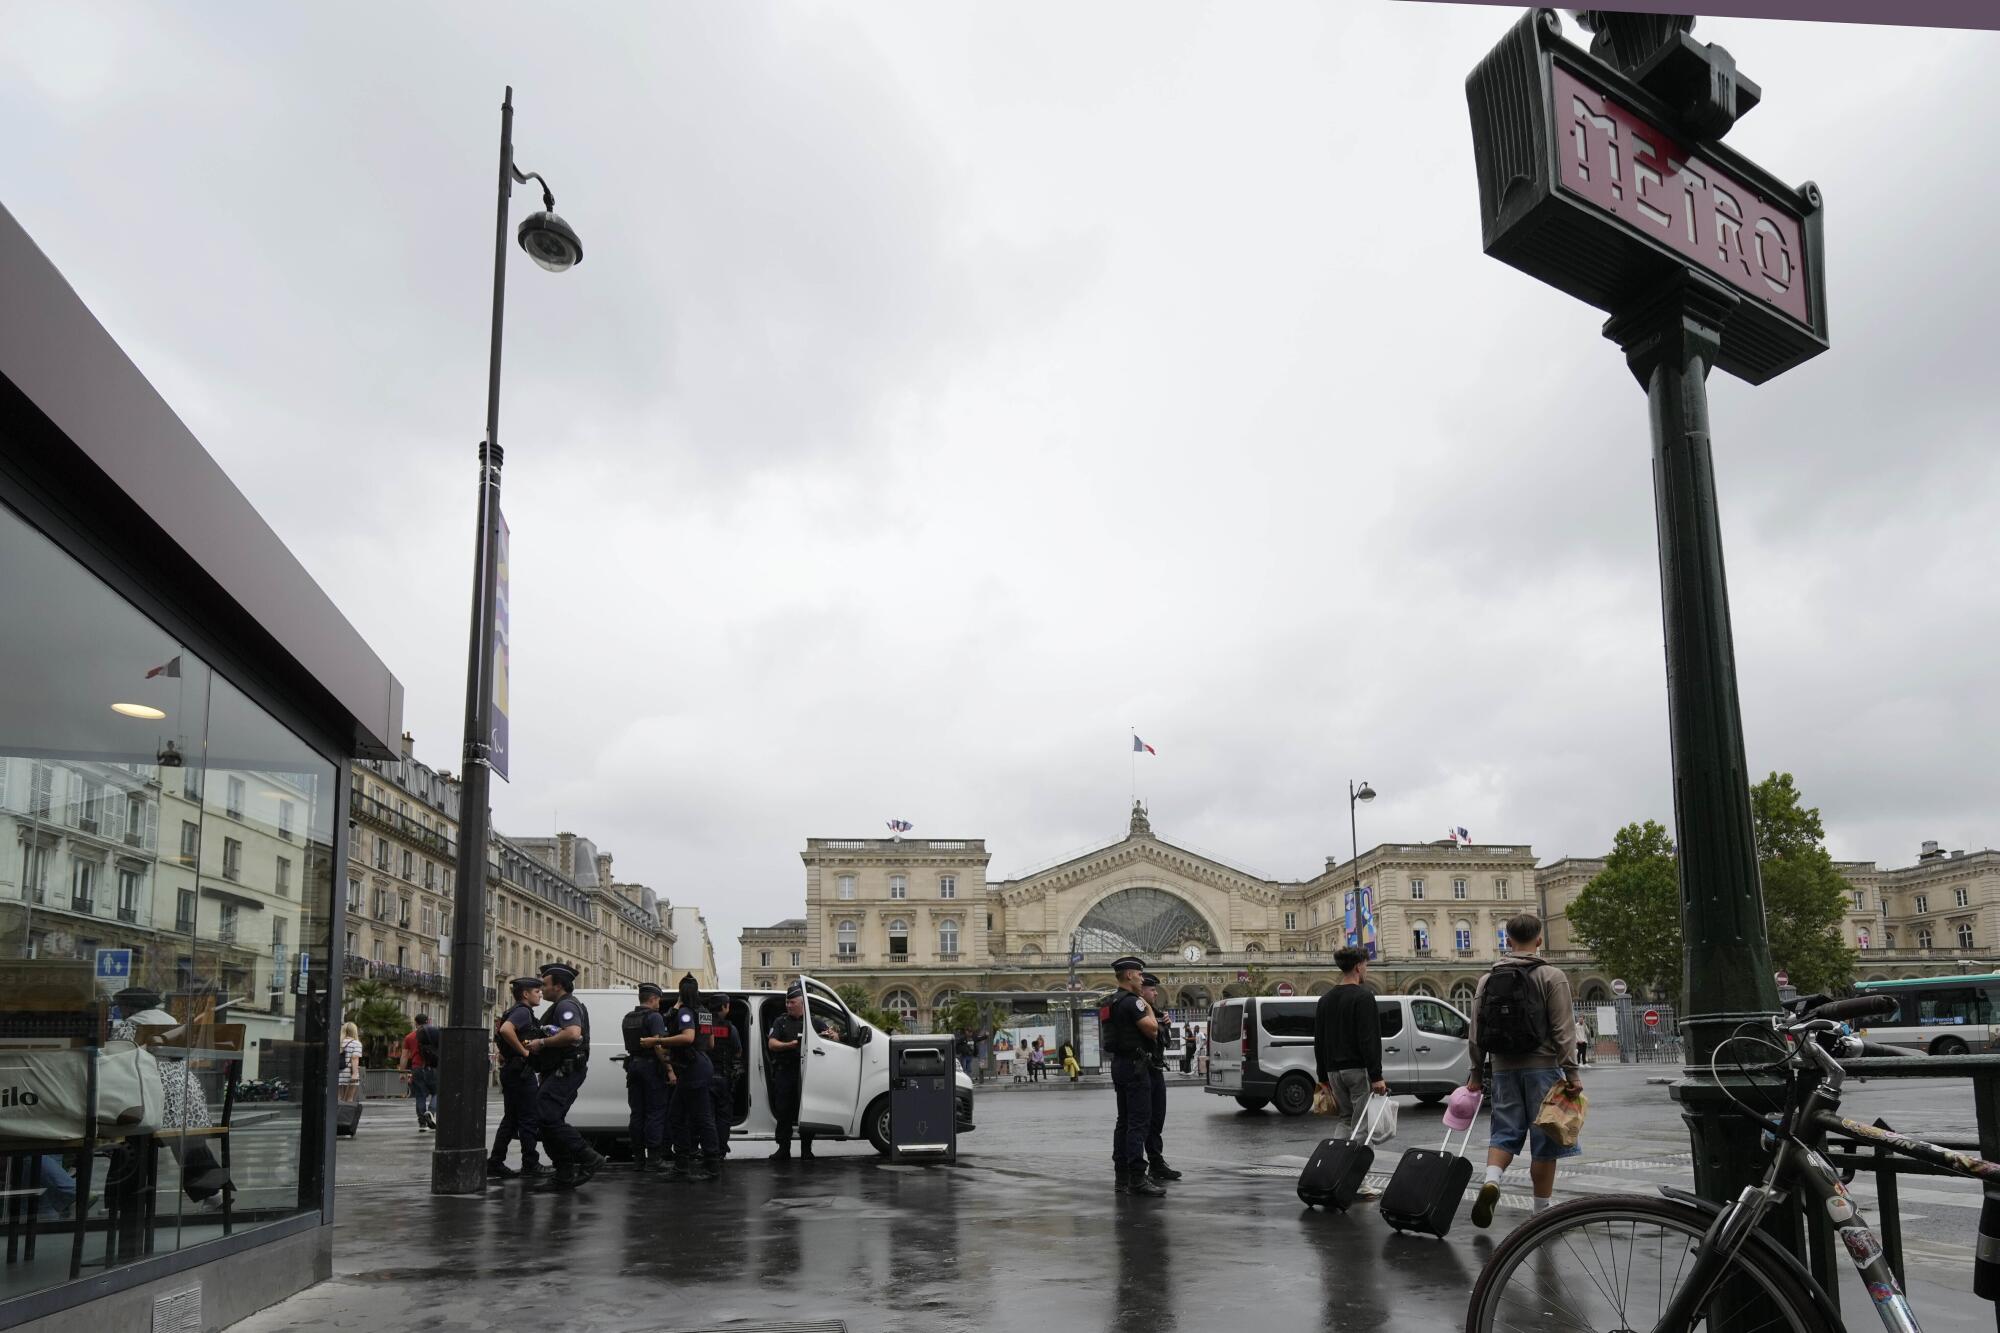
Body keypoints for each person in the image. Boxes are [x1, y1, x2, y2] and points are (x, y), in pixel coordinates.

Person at [1465, 912, 1582, 1228]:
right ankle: (1541, 1213)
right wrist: (1571, 1073)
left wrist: (1476, 1073)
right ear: (1540, 940)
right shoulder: (1551, 976)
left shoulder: (1487, 979)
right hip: (1542, 1068)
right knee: (1545, 1142)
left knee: (1504, 1132)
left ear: (1507, 940)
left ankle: (1492, 1180)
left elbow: (1476, 1031)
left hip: (1502, 1068)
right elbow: (1563, 1029)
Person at [112, 986, 231, 1207]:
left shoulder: (131, 1026)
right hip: (187, 1100)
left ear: (127, 1006)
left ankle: (124, 1199)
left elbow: (116, 1061)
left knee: (128, 1135)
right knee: (188, 1140)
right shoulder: (172, 1021)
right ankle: (214, 1192)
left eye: (120, 1006)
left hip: (151, 1099)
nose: (120, 1010)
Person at [524, 962, 605, 1190]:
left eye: (545, 984)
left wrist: (541, 1042)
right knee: (548, 1120)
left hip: (566, 1070)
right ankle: (564, 1172)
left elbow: (572, 1033)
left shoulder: (566, 1006)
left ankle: (588, 1157)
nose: (542, 988)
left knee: (546, 1116)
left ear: (558, 986)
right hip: (560, 1070)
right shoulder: (561, 1005)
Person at [1100, 955, 1165, 1198]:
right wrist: (1147, 1006)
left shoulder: (1111, 1002)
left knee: (1124, 1122)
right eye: (1138, 975)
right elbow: (1152, 1030)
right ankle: (1138, 1178)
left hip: (1120, 1065)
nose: (1141, 978)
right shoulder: (1133, 1003)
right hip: (1136, 1066)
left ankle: (1122, 1176)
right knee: (1139, 1122)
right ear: (1129, 975)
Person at [661, 974, 721, 1180]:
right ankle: (688, 1164)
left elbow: (688, 1037)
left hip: (692, 1068)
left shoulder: (685, 1011)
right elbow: (711, 1044)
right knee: (681, 1116)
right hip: (702, 1063)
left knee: (697, 1118)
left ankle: (705, 1166)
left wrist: (658, 1040)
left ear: (681, 993)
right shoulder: (704, 1012)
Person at [488, 976, 547, 1178]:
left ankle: (495, 1161)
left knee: (511, 1119)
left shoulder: (512, 1011)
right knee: (528, 1118)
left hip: (512, 1070)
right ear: (525, 994)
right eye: (537, 991)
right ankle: (530, 1163)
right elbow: (505, 1030)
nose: (540, 994)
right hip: (521, 1071)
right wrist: (524, 1052)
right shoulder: (522, 1011)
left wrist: (511, 1052)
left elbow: (501, 1036)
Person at [767, 984, 833, 1160]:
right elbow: (772, 1044)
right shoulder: (780, 1022)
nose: (788, 1005)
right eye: (787, 1002)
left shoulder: (814, 1022)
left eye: (792, 1002)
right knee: (784, 1112)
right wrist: (790, 1045)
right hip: (785, 1072)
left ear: (802, 1003)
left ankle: (806, 1149)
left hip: (807, 1074)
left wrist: (833, 1036)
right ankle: (783, 1149)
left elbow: (833, 1039)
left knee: (806, 1111)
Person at [621, 983, 671, 1172]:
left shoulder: (628, 1018)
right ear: (652, 999)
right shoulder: (654, 1017)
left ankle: (639, 1160)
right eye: (658, 1000)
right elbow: (659, 1047)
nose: (659, 1003)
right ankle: (654, 1159)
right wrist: (670, 1070)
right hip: (651, 1068)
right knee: (655, 1113)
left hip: (633, 1066)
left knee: (637, 1114)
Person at [1140, 973, 1181, 1182]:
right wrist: (1157, 1025)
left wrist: (1166, 1024)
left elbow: (1165, 1041)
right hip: (1142, 1070)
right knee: (1142, 1121)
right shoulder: (1136, 1009)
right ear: (1142, 990)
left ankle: (1157, 1163)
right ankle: (1138, 1169)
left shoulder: (1156, 1011)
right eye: (1152, 989)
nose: (1156, 993)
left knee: (1157, 1119)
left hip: (1156, 1069)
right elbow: (1148, 1036)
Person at [706, 994, 743, 1158]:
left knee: (707, 1116)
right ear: (724, 1007)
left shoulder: (703, 1024)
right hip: (722, 1076)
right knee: (723, 1116)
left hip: (704, 1076)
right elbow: (738, 1050)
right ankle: (720, 1150)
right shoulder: (730, 1028)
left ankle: (708, 1150)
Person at [399, 1013, 441, 1132]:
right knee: (437, 1092)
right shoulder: (434, 1034)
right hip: (432, 1067)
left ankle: (422, 1122)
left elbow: (404, 1056)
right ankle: (431, 1113)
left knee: (420, 1095)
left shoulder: (409, 1037)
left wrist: (402, 1072)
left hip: (416, 1068)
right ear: (428, 1021)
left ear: (416, 1023)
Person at [337, 1021, 363, 1104]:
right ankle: (346, 1117)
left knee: (338, 1099)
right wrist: (355, 1074)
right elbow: (354, 1058)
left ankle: (336, 1116)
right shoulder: (356, 1043)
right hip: (349, 1074)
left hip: (337, 1074)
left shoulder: (338, 1042)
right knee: (349, 1100)